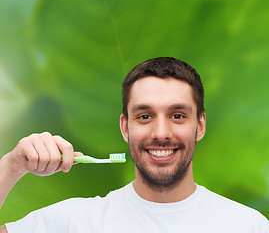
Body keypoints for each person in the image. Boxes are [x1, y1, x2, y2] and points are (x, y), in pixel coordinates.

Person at [0, 57, 268, 233]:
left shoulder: (247, 225)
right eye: (145, 116)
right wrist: (12, 166)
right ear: (125, 127)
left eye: (177, 115)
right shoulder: (74, 222)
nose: (161, 133)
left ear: (199, 126)